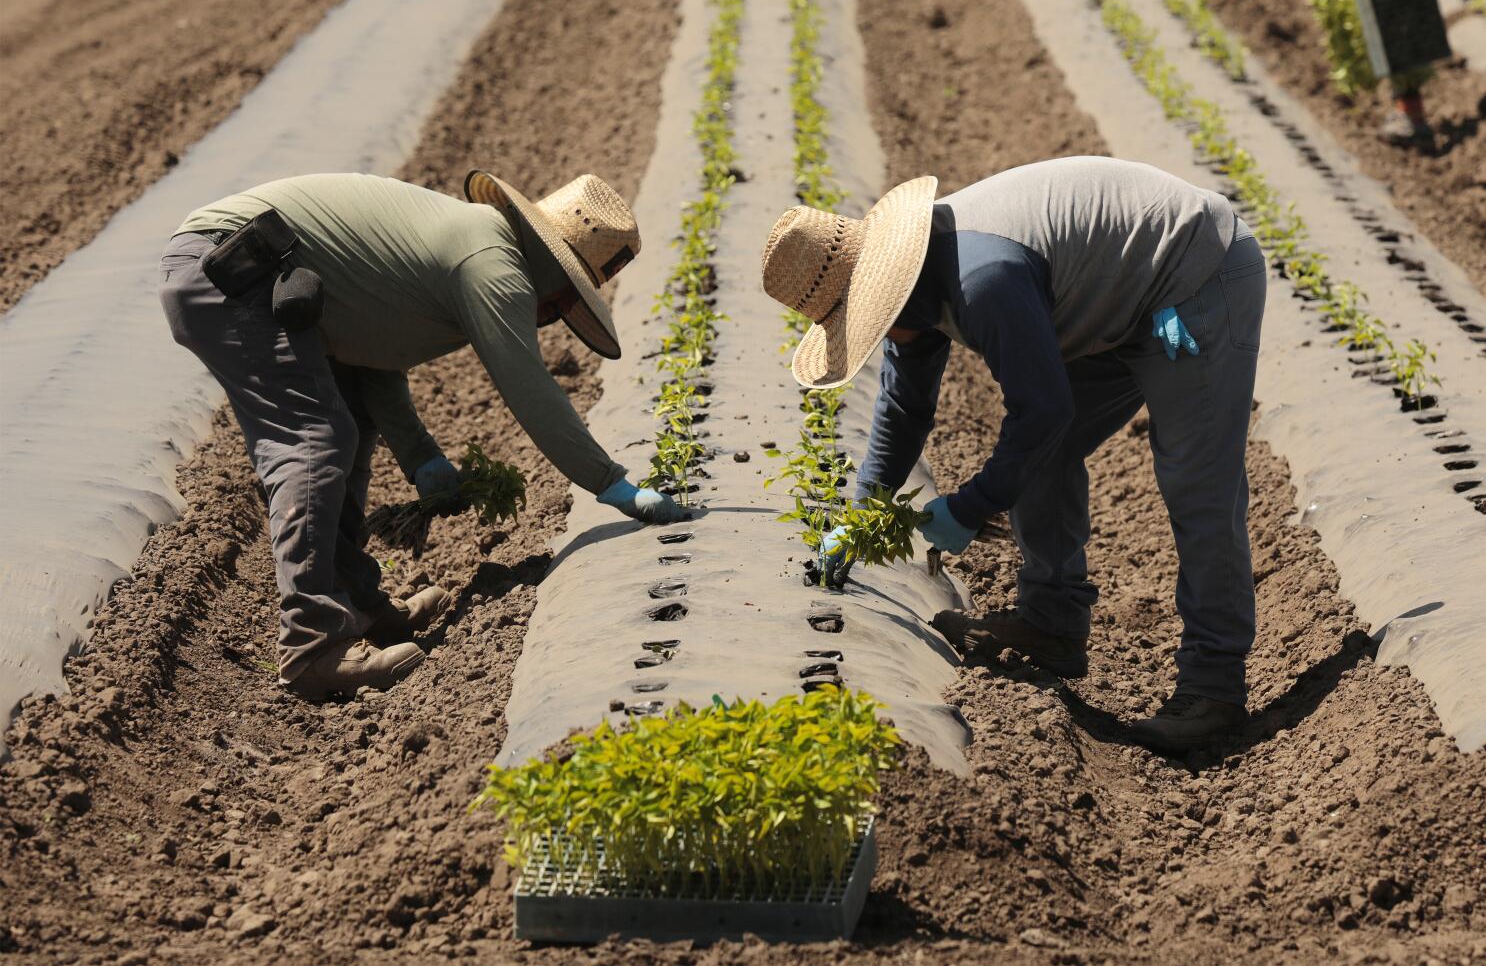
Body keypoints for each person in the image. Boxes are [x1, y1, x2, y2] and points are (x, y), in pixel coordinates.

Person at [759, 157, 1266, 751]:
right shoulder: (917, 294)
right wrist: (859, 512)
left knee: (1196, 483)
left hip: (1193, 274)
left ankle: (1214, 687)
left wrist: (971, 506)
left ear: (884, 294)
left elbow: (1042, 412)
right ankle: (1051, 622)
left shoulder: (984, 280)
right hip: (1115, 293)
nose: (870, 338)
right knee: (1041, 456)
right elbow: (904, 411)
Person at [159, 171, 683, 698]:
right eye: (568, 295)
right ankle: (312, 646)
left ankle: (360, 606)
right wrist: (611, 483)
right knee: (314, 440)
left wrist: (420, 456)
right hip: (229, 267)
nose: (557, 313)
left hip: (253, 265)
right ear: (552, 267)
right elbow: (528, 385)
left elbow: (372, 355)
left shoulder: (475, 241)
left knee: (350, 423)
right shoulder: (491, 265)